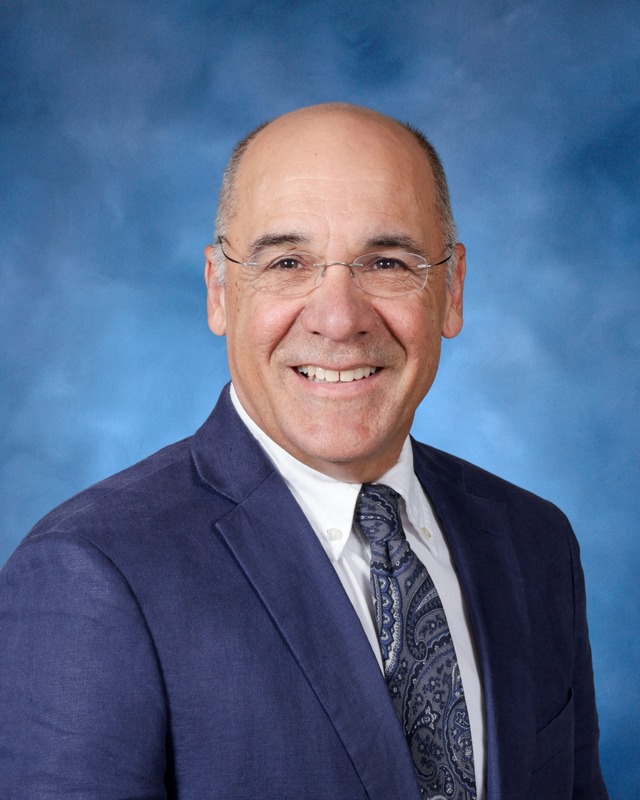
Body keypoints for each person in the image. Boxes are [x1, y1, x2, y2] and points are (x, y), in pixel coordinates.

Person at [0, 103, 608, 799]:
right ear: (220, 290)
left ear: (452, 288)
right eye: (288, 262)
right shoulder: (89, 574)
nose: (339, 318)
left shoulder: (533, 544)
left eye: (386, 261)